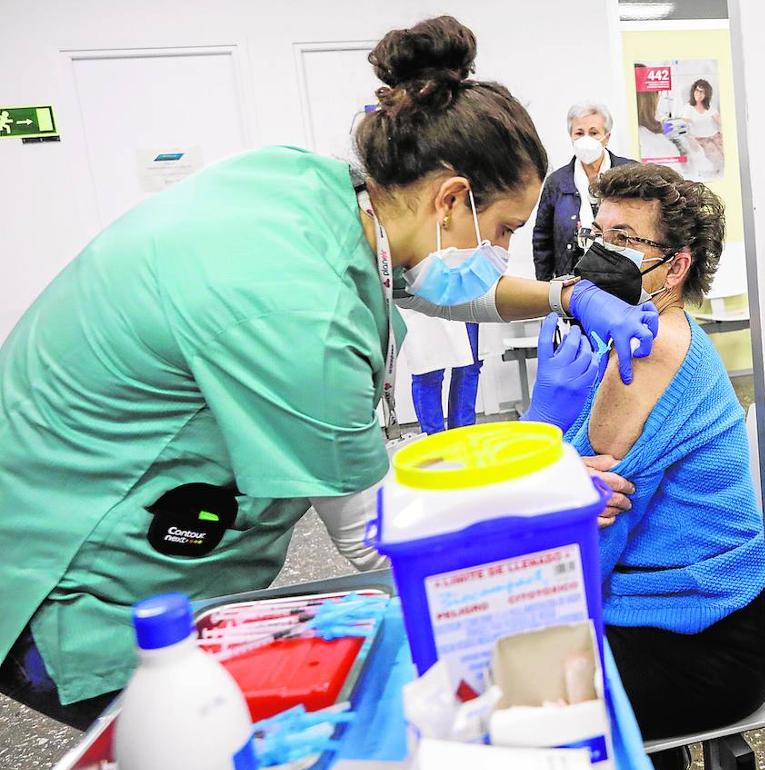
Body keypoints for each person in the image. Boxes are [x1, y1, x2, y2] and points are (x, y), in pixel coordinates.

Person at [0, 15, 654, 727]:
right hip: (79, 573)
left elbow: (429, 279)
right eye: (501, 230)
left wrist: (566, 293)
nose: (502, 251)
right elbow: (371, 532)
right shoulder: (299, 312)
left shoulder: (312, 190)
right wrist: (533, 490)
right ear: (449, 197)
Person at [555, 163, 765, 758]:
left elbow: (591, 542)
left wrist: (550, 465)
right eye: (600, 234)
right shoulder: (639, 332)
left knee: (518, 695)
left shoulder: (646, 353)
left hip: (701, 639)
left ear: (674, 265)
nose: (603, 252)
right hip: (669, 612)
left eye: (625, 240)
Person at [532, 102, 637, 281]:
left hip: (622, 279)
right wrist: (544, 287)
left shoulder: (631, 174)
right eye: (579, 133)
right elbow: (542, 238)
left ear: (607, 137)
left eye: (594, 132)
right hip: (572, 281)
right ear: (571, 136)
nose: (586, 139)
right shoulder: (557, 182)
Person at [400, 309, 482, 433]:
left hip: (469, 295)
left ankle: (463, 435)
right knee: (428, 371)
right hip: (421, 298)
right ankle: (435, 442)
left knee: (469, 368)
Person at [678, 78, 724, 176]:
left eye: (702, 92)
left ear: (706, 94)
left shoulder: (710, 106)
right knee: (717, 157)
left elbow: (720, 121)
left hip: (715, 136)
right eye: (697, 91)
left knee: (727, 152)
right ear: (693, 91)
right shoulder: (688, 108)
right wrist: (690, 140)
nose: (698, 94)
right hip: (701, 139)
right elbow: (683, 127)